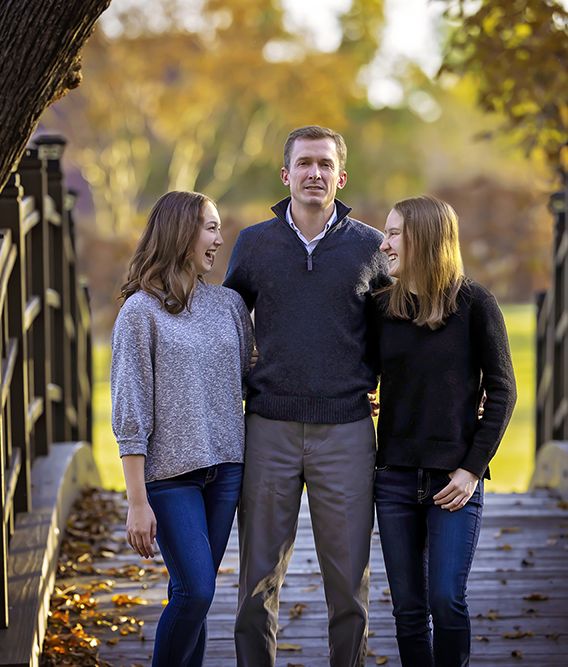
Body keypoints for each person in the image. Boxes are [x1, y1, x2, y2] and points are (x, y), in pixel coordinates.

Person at [223, 126, 390, 667]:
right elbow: (224, 327)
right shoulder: (254, 244)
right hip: (268, 426)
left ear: (341, 177)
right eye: (304, 164)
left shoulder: (371, 247)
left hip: (346, 431)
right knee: (255, 585)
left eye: (325, 165)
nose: (314, 173)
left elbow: (398, 333)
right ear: (286, 175)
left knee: (349, 589)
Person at [110, 190, 253, 667]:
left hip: (226, 470)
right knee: (195, 591)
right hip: (170, 478)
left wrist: (348, 390)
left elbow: (257, 377)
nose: (219, 238)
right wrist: (136, 502)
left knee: (196, 595)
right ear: (181, 233)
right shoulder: (139, 312)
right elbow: (130, 412)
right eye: (210, 228)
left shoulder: (229, 305)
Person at [373, 195, 516, 667]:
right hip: (393, 479)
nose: (385, 242)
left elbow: (503, 391)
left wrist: (472, 469)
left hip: (453, 480)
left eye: (394, 233)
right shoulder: (379, 306)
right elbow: (360, 371)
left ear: (424, 237)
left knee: (445, 600)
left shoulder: (476, 305)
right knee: (408, 610)